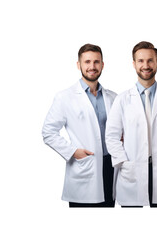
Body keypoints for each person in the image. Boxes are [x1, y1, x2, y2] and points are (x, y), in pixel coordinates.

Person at [105, 41, 157, 207]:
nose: (146, 65)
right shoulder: (122, 99)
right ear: (134, 64)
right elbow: (111, 136)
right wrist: (123, 162)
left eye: (150, 60)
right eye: (141, 61)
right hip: (132, 171)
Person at [42, 44, 117, 207]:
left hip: (110, 168)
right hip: (85, 167)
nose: (92, 67)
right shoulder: (65, 97)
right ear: (79, 65)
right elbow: (48, 132)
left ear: (103, 65)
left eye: (96, 62)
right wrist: (73, 152)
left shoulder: (113, 97)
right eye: (87, 62)